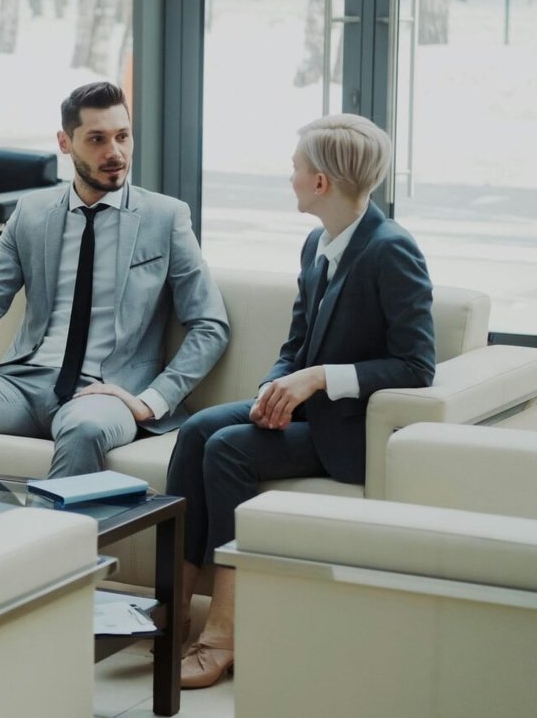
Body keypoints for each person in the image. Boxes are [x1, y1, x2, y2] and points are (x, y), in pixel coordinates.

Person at [165, 113, 436, 688]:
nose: (289, 178)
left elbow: (417, 365)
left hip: (348, 431)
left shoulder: (392, 250)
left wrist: (317, 380)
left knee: (229, 450)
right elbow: (295, 343)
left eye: (295, 168)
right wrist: (275, 385)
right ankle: (174, 614)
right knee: (194, 433)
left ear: (321, 183)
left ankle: (225, 633)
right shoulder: (319, 240)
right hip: (306, 413)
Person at [0, 81, 229, 478]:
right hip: (23, 384)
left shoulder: (165, 218)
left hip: (107, 392)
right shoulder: (31, 214)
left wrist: (153, 400)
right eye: (97, 139)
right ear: (65, 143)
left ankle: (56, 539)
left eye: (122, 137)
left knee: (85, 428)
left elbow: (210, 324)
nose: (114, 153)